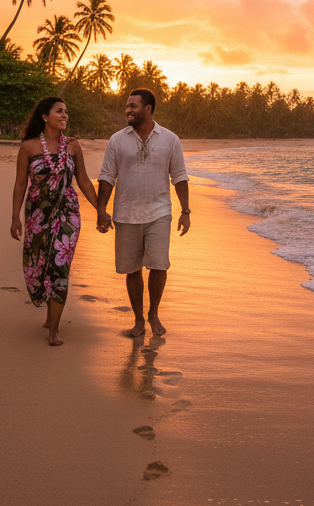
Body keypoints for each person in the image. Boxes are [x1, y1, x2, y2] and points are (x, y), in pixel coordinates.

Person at [96, 89, 190, 338]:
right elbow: (106, 177)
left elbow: (179, 177)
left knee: (159, 265)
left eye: (133, 106)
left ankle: (154, 313)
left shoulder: (170, 139)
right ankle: (138, 320)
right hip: (126, 213)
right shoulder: (117, 140)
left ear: (148, 108)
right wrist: (101, 210)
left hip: (160, 212)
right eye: (127, 106)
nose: (128, 110)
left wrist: (186, 210)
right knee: (132, 269)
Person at [11, 97, 98, 346]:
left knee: (59, 267)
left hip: (68, 213)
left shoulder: (73, 146)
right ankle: (50, 314)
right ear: (45, 116)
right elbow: (20, 184)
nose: (65, 115)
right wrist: (14, 216)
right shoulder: (28, 147)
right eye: (59, 111)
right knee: (38, 268)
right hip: (37, 216)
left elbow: (83, 180)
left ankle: (54, 329)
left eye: (66, 112)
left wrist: (100, 209)